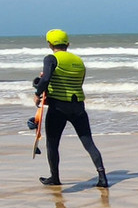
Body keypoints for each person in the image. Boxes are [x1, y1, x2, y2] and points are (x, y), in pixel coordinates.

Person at [32, 29, 108, 188]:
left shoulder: (51, 58)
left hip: (58, 107)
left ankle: (55, 178)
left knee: (52, 144)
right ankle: (102, 177)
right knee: (88, 142)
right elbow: (78, 83)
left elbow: (45, 79)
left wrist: (37, 93)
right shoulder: (79, 61)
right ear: (67, 44)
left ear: (50, 44)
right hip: (78, 106)